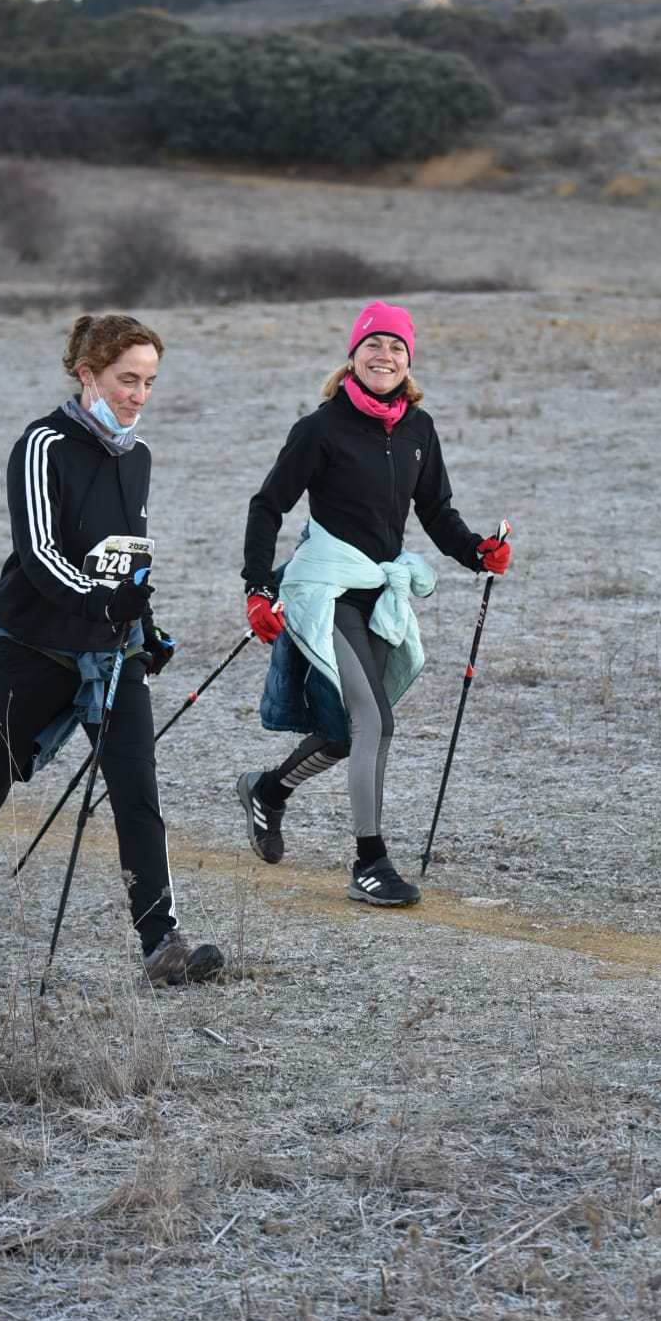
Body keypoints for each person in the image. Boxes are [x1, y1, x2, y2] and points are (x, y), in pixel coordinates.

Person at [0, 312, 223, 987]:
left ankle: (161, 944)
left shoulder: (137, 456)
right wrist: (101, 602)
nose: (139, 396)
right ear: (87, 374)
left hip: (111, 654)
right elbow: (39, 554)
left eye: (149, 382)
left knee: (137, 790)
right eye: (127, 380)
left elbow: (127, 562)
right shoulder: (43, 444)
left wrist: (144, 626)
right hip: (33, 644)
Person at [237, 299, 510, 907]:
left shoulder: (418, 428)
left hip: (380, 592)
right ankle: (370, 862)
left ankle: (268, 791)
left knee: (347, 730)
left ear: (407, 360)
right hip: (326, 589)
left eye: (396, 348)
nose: (384, 356)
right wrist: (258, 586)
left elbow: (435, 509)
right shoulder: (320, 429)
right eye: (373, 345)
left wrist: (476, 551)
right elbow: (268, 506)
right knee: (375, 722)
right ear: (353, 355)